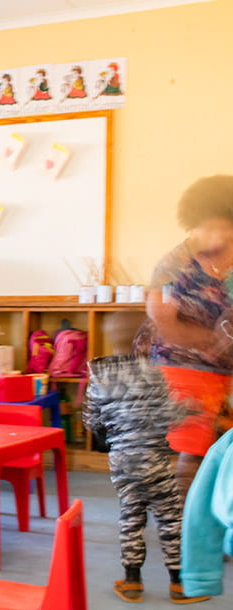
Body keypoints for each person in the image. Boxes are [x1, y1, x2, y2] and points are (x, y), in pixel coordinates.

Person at [84, 314, 207, 604]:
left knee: (130, 516)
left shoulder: (98, 375)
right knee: (168, 518)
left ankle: (132, 582)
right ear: (141, 339)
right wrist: (188, 409)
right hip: (155, 460)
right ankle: (179, 584)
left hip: (122, 461)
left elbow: (91, 422)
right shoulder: (154, 373)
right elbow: (166, 416)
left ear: (111, 339)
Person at [140, 175, 233, 501]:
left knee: (226, 451)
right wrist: (214, 340)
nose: (220, 236)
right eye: (210, 227)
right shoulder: (174, 265)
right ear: (192, 224)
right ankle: (185, 528)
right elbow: (164, 322)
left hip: (227, 368)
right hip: (185, 366)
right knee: (195, 448)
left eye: (227, 227)